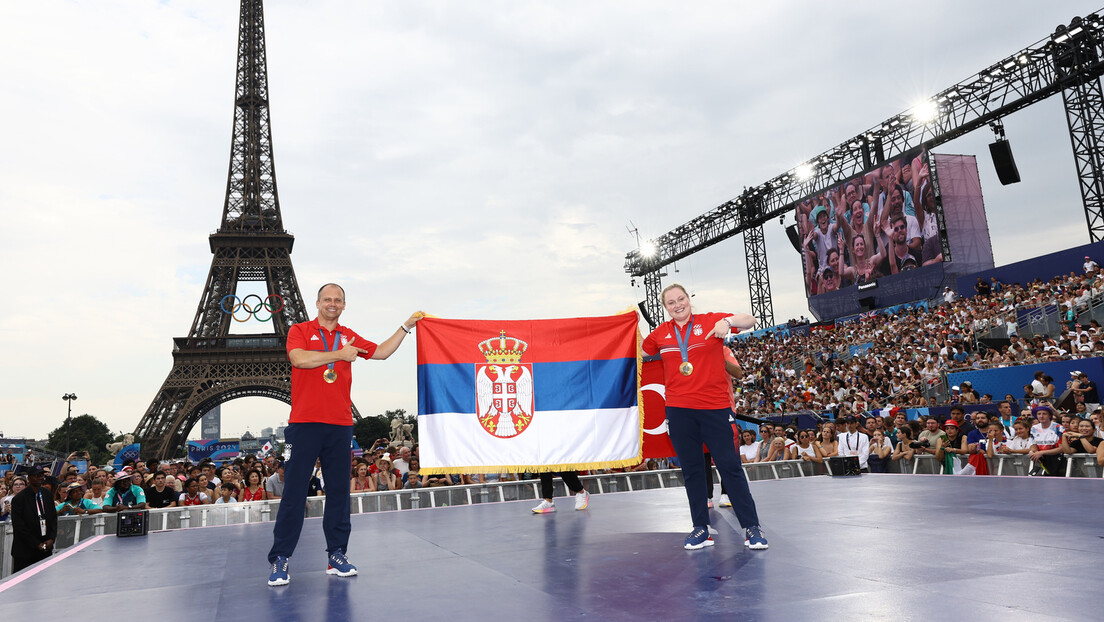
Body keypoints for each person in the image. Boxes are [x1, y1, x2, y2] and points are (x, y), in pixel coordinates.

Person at [267, 282, 424, 586]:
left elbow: (380, 352)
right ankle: (280, 558)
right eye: (328, 299)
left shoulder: (348, 335)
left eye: (338, 300)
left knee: (339, 493)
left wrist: (406, 326)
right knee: (294, 493)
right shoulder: (300, 330)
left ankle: (337, 553)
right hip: (305, 423)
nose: (332, 303)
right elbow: (299, 359)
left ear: (343, 305)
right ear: (317, 302)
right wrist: (339, 354)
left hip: (340, 425)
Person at [641, 283, 766, 551]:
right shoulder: (660, 334)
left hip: (715, 408)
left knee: (730, 468)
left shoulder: (710, 320)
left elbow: (750, 319)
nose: (677, 305)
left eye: (681, 299)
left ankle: (752, 528)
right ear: (665, 307)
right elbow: (639, 351)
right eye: (671, 302)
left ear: (689, 299)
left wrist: (727, 322)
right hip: (679, 411)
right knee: (693, 472)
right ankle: (701, 528)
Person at [9, 467, 57, 573]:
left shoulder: (47, 494)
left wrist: (51, 539)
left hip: (45, 548)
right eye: (37, 475)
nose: (40, 478)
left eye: (41, 475)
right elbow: (19, 526)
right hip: (25, 551)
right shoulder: (19, 499)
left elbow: (53, 518)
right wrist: (36, 544)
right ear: (29, 478)